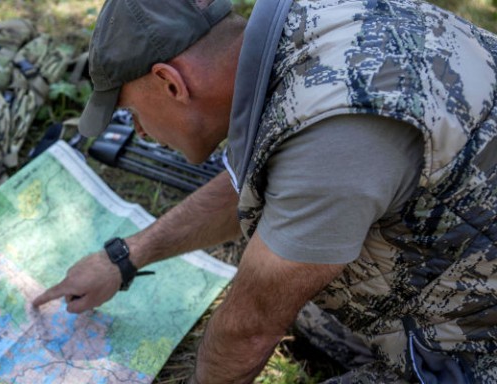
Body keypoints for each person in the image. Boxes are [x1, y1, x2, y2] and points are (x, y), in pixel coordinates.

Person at [32, 0, 497, 382]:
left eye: (132, 113)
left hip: (482, 334)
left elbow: (249, 329)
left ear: (170, 83)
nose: (140, 132)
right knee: (312, 312)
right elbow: (267, 184)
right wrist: (125, 257)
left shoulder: (336, 132)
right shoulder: (309, 31)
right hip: (465, 262)